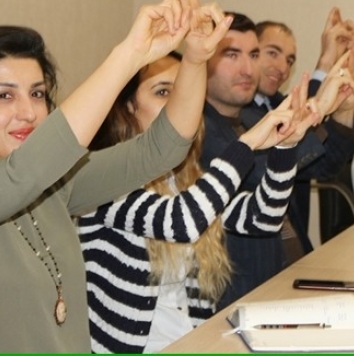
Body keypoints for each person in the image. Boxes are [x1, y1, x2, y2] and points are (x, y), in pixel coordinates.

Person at [0, 0, 220, 353]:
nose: (28, 112)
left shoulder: (54, 186)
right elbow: (23, 174)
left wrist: (195, 60)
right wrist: (128, 56)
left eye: (37, 94)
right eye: (4, 96)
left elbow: (161, 149)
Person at [78, 45, 319, 353]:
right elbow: (182, 221)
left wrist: (286, 147)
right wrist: (247, 144)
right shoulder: (104, 178)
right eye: (163, 92)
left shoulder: (181, 176)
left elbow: (263, 219)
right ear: (127, 107)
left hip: (190, 341)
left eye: (184, 93)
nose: (180, 104)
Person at [201, 12, 354, 310]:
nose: (248, 69)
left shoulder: (251, 117)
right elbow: (258, 176)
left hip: (293, 269)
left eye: (253, 55)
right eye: (232, 54)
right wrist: (319, 106)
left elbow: (324, 166)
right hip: (247, 295)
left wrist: (341, 107)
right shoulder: (199, 131)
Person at [246, 8, 354, 256]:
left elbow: (325, 164)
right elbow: (303, 126)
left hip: (296, 246)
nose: (282, 67)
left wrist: (344, 108)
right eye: (273, 53)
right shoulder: (239, 112)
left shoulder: (276, 102)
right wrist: (326, 63)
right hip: (264, 251)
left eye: (290, 60)